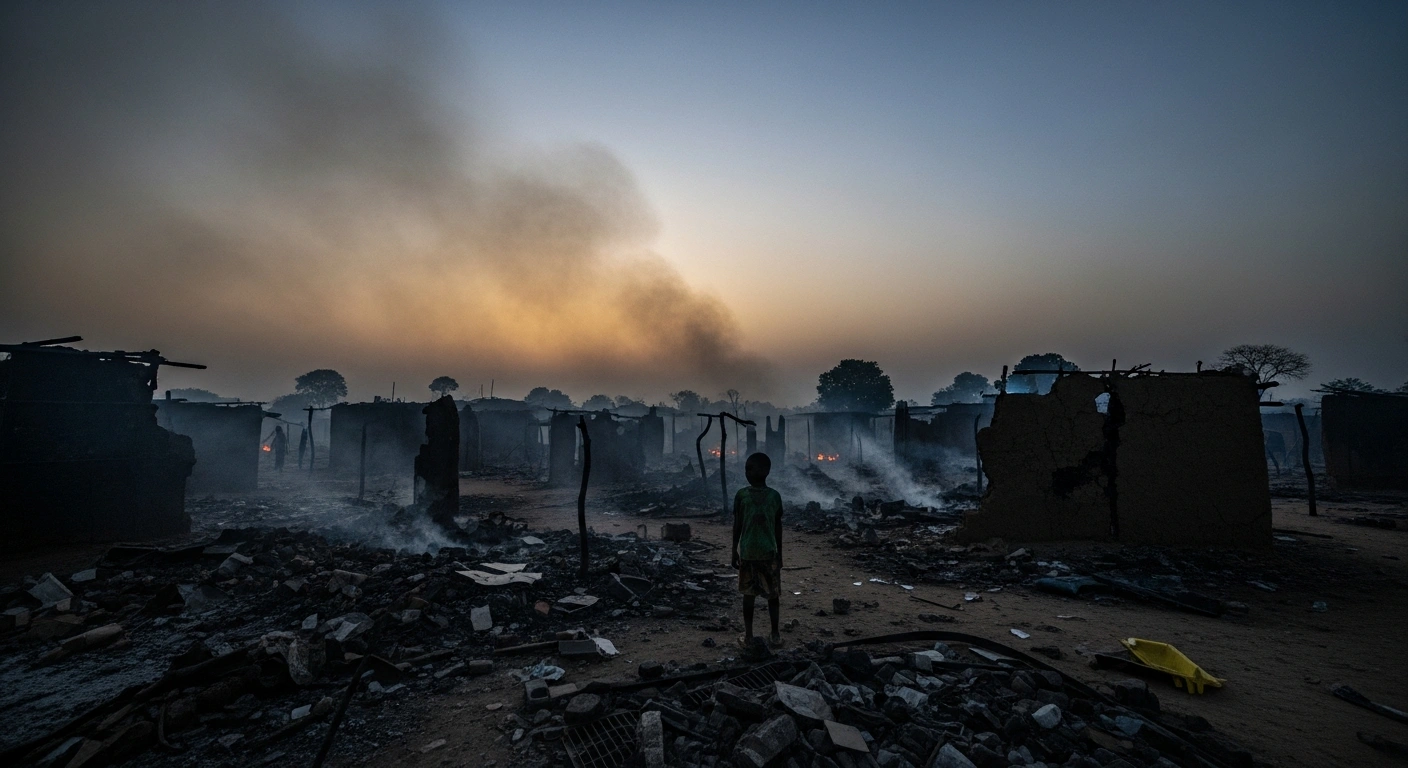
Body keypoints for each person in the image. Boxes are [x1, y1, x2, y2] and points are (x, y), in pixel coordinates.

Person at [731, 452, 784, 647]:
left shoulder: (742, 495)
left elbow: (737, 527)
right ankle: (774, 634)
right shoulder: (774, 496)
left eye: (748, 468)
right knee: (772, 595)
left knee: (750, 595)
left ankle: (749, 635)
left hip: (750, 553)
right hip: (767, 553)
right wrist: (780, 554)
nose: (746, 472)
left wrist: (733, 551)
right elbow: (777, 528)